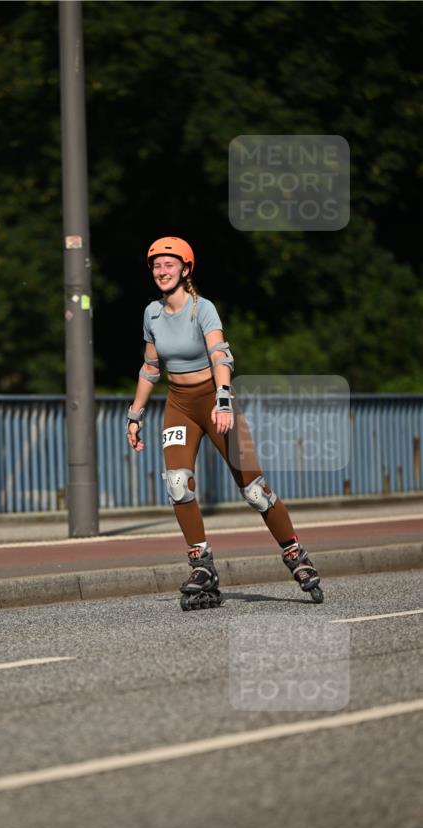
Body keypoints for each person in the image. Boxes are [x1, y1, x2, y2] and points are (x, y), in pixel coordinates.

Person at [126, 236, 323, 609]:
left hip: (215, 403)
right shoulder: (151, 314)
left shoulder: (203, 309)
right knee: (178, 484)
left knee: (254, 491)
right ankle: (202, 566)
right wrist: (134, 416)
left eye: (170, 264)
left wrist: (223, 400)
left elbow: (220, 356)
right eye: (156, 265)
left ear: (186, 270)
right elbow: (150, 369)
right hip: (179, 405)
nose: (162, 271)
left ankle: (295, 554)